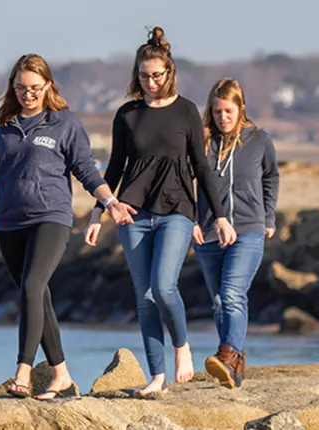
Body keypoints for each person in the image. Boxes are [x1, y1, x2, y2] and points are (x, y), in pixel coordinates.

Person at [0, 54, 133, 401]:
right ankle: (62, 376)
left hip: (51, 217)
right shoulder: (2, 125)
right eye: (22, 88)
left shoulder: (64, 122)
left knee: (32, 285)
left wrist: (109, 202)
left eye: (36, 88)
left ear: (48, 86)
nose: (29, 95)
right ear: (12, 87)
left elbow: (86, 171)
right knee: (37, 296)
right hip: (9, 221)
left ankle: (23, 373)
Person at [88, 26, 238, 397]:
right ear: (136, 75)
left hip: (177, 210)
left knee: (163, 285)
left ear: (169, 73)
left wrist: (219, 215)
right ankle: (157, 377)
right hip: (133, 214)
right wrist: (98, 212)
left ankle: (181, 346)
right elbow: (114, 167)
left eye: (157, 75)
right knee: (145, 298)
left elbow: (202, 167)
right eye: (143, 76)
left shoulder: (186, 111)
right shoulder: (127, 115)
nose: (151, 82)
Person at [193, 77, 279, 390]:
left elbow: (271, 177)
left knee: (232, 294)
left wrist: (268, 216)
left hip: (248, 229)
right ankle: (235, 364)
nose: (223, 118)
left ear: (241, 108)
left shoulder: (259, 140)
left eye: (228, 111)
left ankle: (226, 355)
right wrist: (192, 220)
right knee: (218, 302)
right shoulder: (201, 142)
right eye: (217, 112)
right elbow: (186, 184)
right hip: (208, 232)